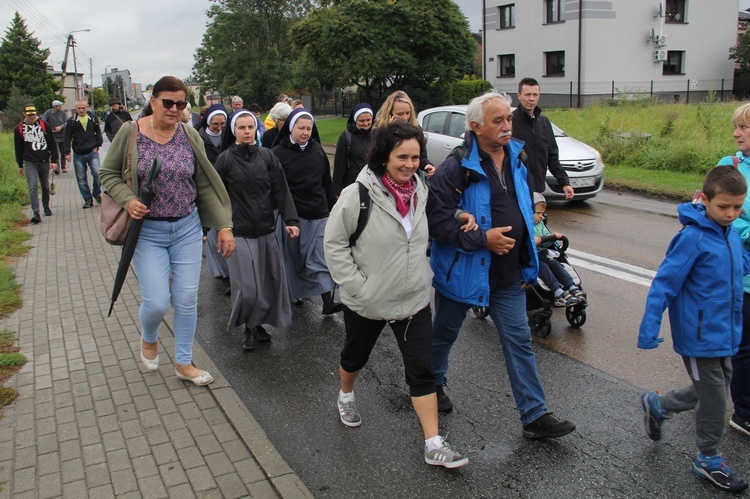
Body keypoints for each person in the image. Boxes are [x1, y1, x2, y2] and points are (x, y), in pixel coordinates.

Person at [426, 90, 576, 439]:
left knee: (519, 341)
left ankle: (535, 416)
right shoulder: (456, 166)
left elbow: (524, 210)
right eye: (499, 121)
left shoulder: (516, 158)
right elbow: (438, 220)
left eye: (508, 118)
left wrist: (527, 261)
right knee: (445, 332)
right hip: (464, 273)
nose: (508, 125)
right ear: (476, 126)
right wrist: (483, 239)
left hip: (506, 275)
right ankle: (431, 384)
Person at [324, 121, 469, 469]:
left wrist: (461, 214)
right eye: (402, 156)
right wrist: (358, 286)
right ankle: (346, 394)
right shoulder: (357, 195)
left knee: (422, 370)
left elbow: (436, 220)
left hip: (413, 298)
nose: (409, 164)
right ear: (384, 156)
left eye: (416, 157)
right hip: (369, 298)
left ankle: (433, 443)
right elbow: (334, 244)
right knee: (355, 356)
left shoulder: (420, 189)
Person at [99, 76, 235, 386]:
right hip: (147, 232)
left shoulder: (189, 135)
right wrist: (128, 199)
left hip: (187, 228)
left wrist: (224, 226)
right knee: (158, 302)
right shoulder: (130, 132)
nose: (175, 109)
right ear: (153, 100)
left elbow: (204, 182)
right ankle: (149, 336)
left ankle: (184, 363)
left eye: (181, 103)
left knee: (186, 298)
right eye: (168, 102)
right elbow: (107, 173)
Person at [638, 166, 750, 493]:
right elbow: (664, 284)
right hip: (699, 336)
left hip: (725, 330)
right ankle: (708, 458)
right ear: (704, 199)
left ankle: (659, 406)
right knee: (714, 396)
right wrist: (649, 326)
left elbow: (738, 266)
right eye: (724, 207)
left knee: (713, 387)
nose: (731, 214)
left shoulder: (728, 234)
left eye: (738, 207)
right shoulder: (693, 238)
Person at [215, 110, 300, 351]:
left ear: (256, 130)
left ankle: (256, 326)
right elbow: (215, 196)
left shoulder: (267, 157)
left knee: (268, 283)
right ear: (234, 131)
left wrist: (290, 220)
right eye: (241, 128)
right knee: (248, 288)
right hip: (238, 232)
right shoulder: (225, 160)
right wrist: (209, 228)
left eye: (250, 127)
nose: (246, 132)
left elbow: (281, 190)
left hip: (265, 229)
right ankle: (249, 329)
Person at [271, 108, 342, 314]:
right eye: (301, 128)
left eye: (309, 128)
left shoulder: (317, 150)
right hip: (294, 215)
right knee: (294, 257)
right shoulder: (278, 154)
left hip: (319, 212)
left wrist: (332, 206)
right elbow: (275, 188)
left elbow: (325, 181)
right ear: (290, 128)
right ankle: (295, 293)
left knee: (319, 256)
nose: (305, 132)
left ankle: (327, 301)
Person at [718, 102, 750, 439]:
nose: (735, 133)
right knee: (745, 345)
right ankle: (744, 411)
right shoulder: (730, 166)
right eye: (736, 127)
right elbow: (722, 216)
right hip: (741, 269)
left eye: (743, 128)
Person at [512, 77, 573, 197]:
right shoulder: (510, 122)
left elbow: (552, 157)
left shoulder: (544, 122)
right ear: (519, 95)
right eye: (527, 94)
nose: (531, 99)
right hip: (516, 189)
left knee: (538, 216)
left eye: (535, 94)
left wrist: (564, 183)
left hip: (538, 189)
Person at [197, 103, 232, 294]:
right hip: (209, 191)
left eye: (222, 124)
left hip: (229, 190)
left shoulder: (229, 137)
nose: (219, 128)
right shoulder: (200, 139)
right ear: (208, 122)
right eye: (215, 124)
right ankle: (224, 275)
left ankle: (232, 272)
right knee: (214, 237)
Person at [532, 192, 585, 306]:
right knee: (543, 267)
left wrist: (553, 238)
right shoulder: (523, 225)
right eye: (538, 213)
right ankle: (558, 291)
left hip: (541, 252)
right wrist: (531, 240)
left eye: (542, 213)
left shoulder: (540, 224)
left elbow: (546, 240)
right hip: (529, 256)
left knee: (555, 264)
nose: (541, 216)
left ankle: (571, 286)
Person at [373, 90, 435, 176]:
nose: (405, 117)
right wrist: (389, 131)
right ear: (389, 113)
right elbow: (377, 159)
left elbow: (421, 156)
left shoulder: (416, 129)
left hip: (410, 178)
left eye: (407, 113)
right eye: (400, 114)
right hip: (386, 178)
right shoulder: (378, 132)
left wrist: (427, 165)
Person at [14, 103, 57, 223]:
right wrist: (19, 165)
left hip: (43, 160)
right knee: (33, 187)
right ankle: (36, 212)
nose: (32, 117)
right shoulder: (19, 129)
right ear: (24, 114)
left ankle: (46, 206)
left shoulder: (44, 125)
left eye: (33, 114)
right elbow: (18, 148)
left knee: (45, 185)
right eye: (29, 115)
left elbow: (52, 144)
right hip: (29, 162)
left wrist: (54, 160)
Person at [63, 100, 104, 209]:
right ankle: (87, 199)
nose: (81, 110)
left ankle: (96, 192)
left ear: (87, 107)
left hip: (92, 152)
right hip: (78, 153)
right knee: (81, 179)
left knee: (97, 174)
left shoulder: (93, 118)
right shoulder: (71, 121)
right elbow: (67, 137)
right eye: (79, 108)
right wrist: (67, 152)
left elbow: (98, 132)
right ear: (76, 109)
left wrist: (98, 145)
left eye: (83, 108)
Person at [332, 103, 373, 198]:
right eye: (362, 120)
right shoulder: (346, 137)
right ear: (355, 120)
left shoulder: (376, 134)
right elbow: (339, 165)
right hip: (353, 185)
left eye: (368, 120)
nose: (366, 123)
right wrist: (337, 191)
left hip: (373, 185)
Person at [41, 100, 68, 174]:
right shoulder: (48, 113)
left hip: (62, 135)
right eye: (59, 105)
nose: (61, 106)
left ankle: (64, 167)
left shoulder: (63, 113)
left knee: (63, 152)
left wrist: (61, 127)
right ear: (55, 106)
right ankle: (57, 168)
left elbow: (67, 122)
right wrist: (49, 129)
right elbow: (43, 122)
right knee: (55, 152)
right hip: (53, 136)